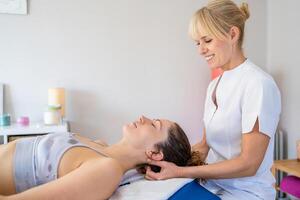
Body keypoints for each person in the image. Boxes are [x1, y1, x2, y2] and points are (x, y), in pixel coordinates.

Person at [145, 0, 281, 199]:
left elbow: (249, 164)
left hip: (246, 193)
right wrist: (165, 161)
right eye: (197, 43)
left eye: (207, 40)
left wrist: (181, 171)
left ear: (233, 34)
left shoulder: (258, 84)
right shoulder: (214, 86)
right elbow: (205, 144)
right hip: (212, 186)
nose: (201, 50)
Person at [0, 116, 202, 200]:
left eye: (154, 124)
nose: (143, 118)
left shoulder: (107, 170)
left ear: (155, 154)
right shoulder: (99, 144)